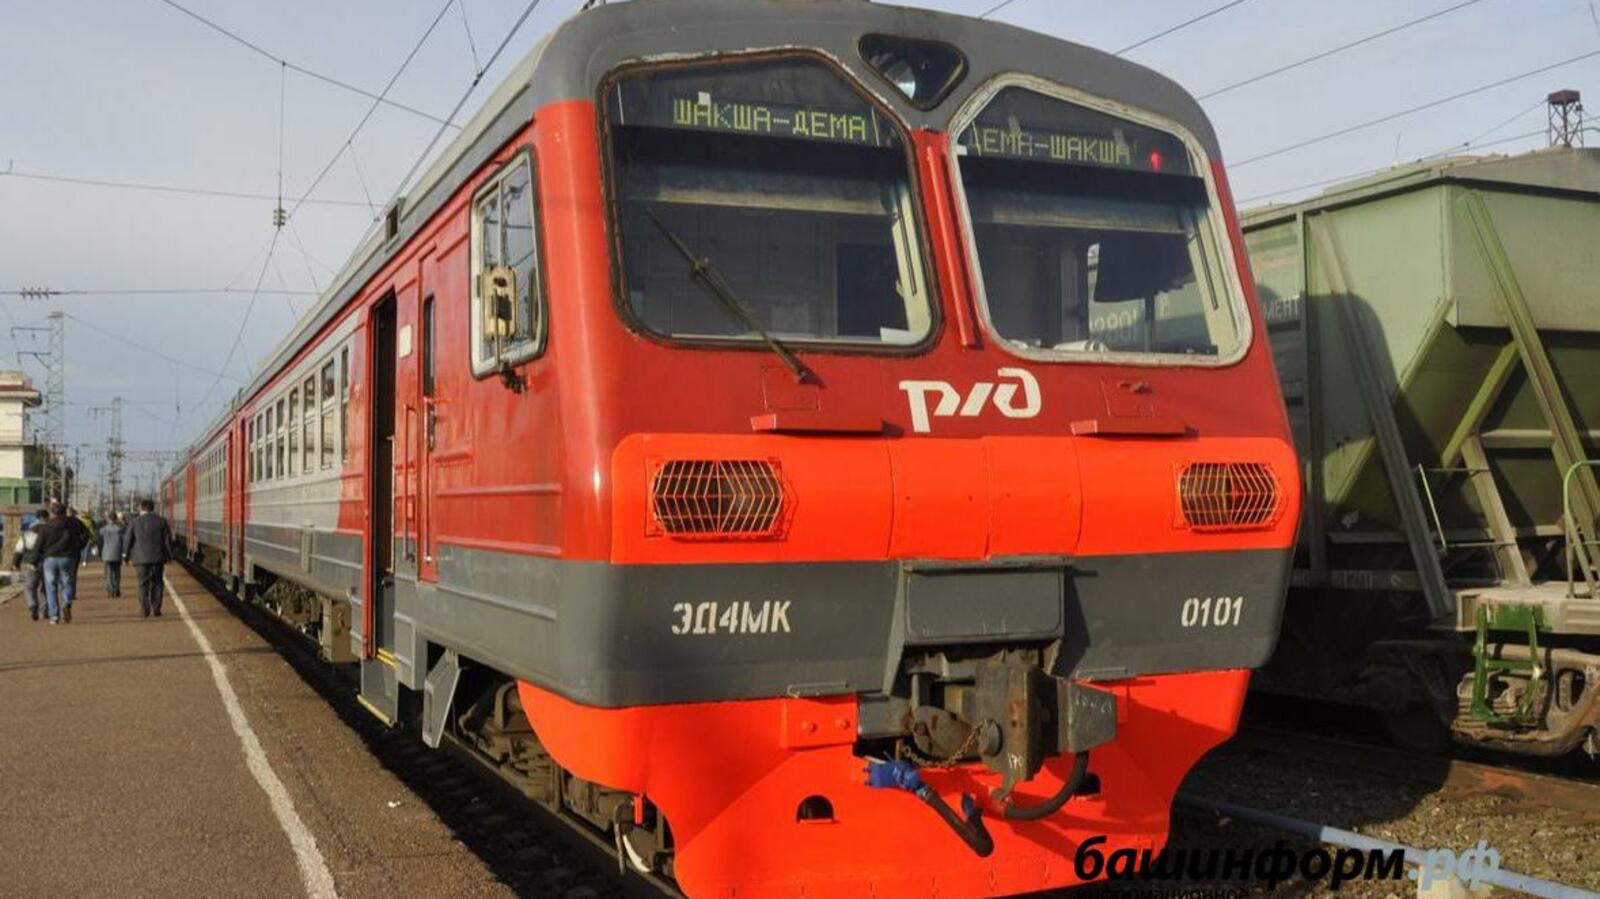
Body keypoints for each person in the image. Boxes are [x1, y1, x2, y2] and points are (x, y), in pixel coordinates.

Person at [36, 503, 89, 624]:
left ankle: (54, 616)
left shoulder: (46, 526)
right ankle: (67, 602)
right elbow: (86, 534)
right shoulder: (74, 523)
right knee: (68, 583)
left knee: (51, 587)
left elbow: (38, 544)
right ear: (65, 512)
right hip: (68, 557)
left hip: (49, 558)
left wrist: (34, 559)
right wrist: (79, 546)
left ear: (52, 513)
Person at [124, 499, 172, 618]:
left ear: (141, 508)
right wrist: (169, 555)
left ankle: (144, 609)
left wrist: (125, 555)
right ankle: (156, 608)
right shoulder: (161, 521)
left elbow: (128, 539)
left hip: (140, 559)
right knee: (157, 582)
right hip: (157, 558)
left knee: (142, 583)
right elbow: (167, 540)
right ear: (152, 508)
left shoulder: (134, 522)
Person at [11, 509, 47, 621]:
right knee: (45, 587)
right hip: (46, 562)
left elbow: (19, 549)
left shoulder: (27, 534)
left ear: (36, 518)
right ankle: (44, 610)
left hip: (29, 563)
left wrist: (15, 563)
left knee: (30, 587)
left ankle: (32, 605)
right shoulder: (51, 531)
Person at [99, 513, 127, 599]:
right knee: (117, 572)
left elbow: (100, 541)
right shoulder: (121, 529)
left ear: (108, 519)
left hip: (106, 553)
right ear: (116, 519)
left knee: (108, 573)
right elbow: (124, 541)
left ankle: (110, 589)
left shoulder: (103, 529)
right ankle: (116, 589)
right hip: (117, 552)